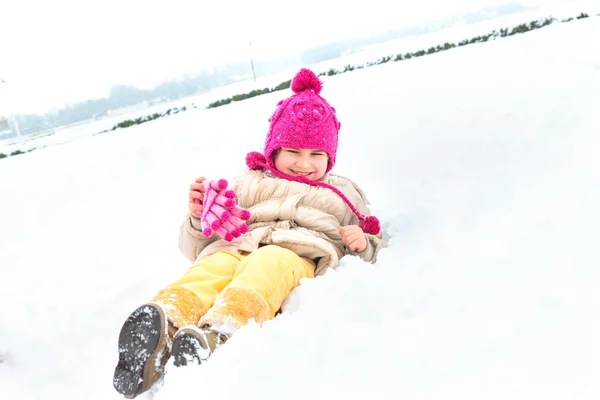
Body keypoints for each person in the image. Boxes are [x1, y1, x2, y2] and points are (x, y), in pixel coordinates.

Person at [112, 68, 386, 398]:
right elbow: (196, 247)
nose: (304, 163)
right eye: (293, 152)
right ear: (274, 149)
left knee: (267, 265)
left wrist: (362, 244)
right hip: (239, 244)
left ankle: (220, 330)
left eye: (317, 154)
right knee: (210, 268)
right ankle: (163, 324)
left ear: (331, 156)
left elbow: (374, 242)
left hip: (296, 253)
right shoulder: (248, 182)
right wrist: (200, 218)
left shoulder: (342, 192)